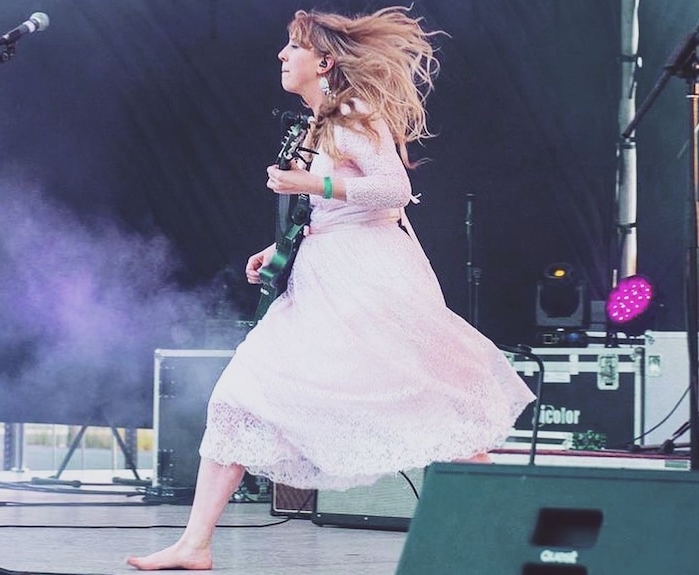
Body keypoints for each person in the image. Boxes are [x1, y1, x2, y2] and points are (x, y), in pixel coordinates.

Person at [127, 6, 535, 571]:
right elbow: (340, 206)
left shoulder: (351, 113)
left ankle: (508, 530)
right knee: (238, 398)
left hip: (367, 282)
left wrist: (308, 181)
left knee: (432, 406)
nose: (281, 56)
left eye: (292, 47)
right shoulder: (325, 120)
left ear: (323, 61)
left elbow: (392, 190)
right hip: (326, 275)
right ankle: (194, 544)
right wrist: (283, 247)